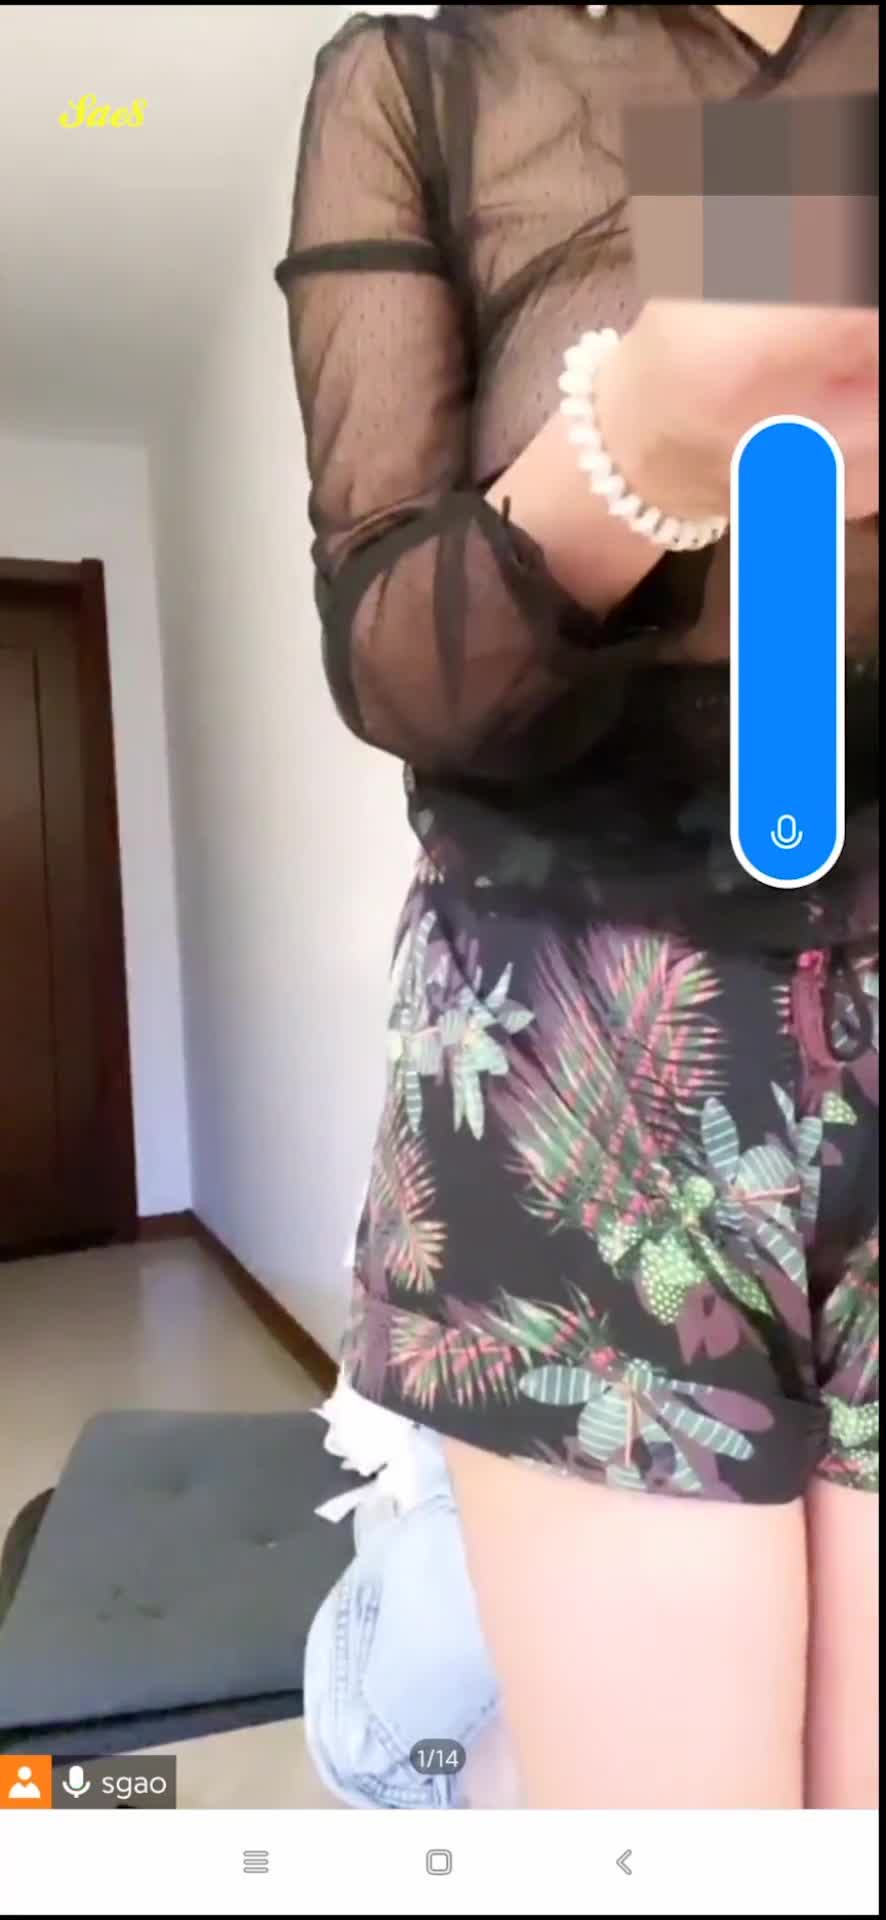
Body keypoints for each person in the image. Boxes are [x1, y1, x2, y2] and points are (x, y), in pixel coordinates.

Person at [277, 3, 878, 1809]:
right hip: (580, 1049)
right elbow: (398, 664)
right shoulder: (431, 79)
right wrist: (646, 440)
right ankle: (404, 1656)